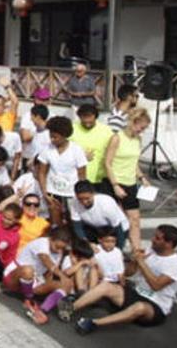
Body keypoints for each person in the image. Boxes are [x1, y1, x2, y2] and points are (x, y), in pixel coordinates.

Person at [73, 225, 177, 334]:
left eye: (157, 238)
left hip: (156, 306)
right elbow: (128, 273)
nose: (152, 240)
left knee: (139, 307)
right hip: (136, 293)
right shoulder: (150, 250)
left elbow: (156, 285)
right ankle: (70, 308)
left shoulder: (176, 264)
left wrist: (141, 262)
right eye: (154, 236)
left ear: (169, 244)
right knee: (106, 286)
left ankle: (93, 323)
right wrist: (134, 260)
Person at [103, 107, 152, 250]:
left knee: (135, 218)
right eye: (141, 127)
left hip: (130, 182)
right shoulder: (117, 138)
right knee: (114, 219)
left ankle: (137, 249)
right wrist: (115, 185)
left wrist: (142, 177)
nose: (141, 131)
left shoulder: (138, 139)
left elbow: (134, 162)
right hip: (114, 182)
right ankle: (112, 247)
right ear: (133, 122)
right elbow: (107, 162)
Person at [2, 227, 72, 322]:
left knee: (66, 284)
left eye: (62, 248)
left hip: (33, 281)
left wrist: (50, 286)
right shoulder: (42, 243)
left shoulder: (59, 253)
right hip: (13, 277)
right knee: (28, 270)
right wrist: (62, 276)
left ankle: (43, 310)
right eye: (57, 247)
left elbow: (49, 273)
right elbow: (46, 260)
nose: (59, 251)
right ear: (51, 239)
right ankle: (28, 300)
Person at [37, 116, 87, 225]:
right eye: (51, 137)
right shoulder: (47, 149)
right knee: (55, 222)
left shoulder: (76, 150)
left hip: (71, 193)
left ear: (64, 135)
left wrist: (80, 194)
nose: (52, 140)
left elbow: (82, 175)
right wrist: (45, 193)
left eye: (55, 137)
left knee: (72, 222)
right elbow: (41, 172)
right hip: (53, 192)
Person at [70, 180, 130, 248]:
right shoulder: (74, 202)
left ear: (93, 194)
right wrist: (86, 244)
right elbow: (77, 226)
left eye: (87, 198)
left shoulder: (106, 204)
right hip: (94, 228)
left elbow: (118, 228)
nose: (84, 202)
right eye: (80, 199)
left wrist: (118, 250)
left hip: (115, 229)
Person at [70, 104, 112, 186]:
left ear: (95, 117)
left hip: (99, 179)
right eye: (84, 119)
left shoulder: (106, 131)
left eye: (90, 120)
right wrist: (81, 157)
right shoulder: (71, 129)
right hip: (76, 178)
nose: (87, 123)